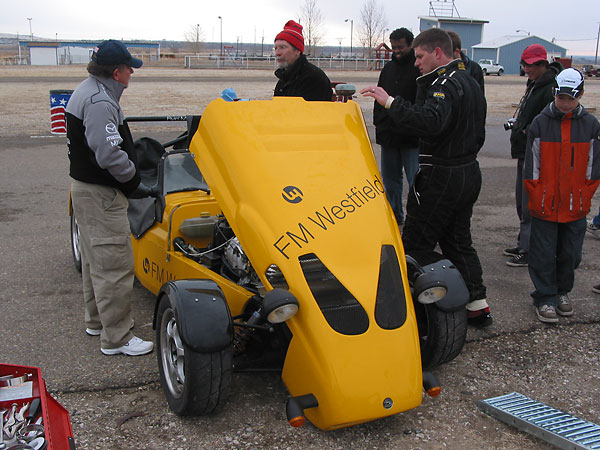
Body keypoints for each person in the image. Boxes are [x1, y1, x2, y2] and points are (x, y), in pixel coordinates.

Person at [360, 28, 491, 327]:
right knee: (458, 241)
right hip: (468, 171)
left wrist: (391, 102)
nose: (416, 63)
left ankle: (411, 313)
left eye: (420, 56)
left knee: (416, 243)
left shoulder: (444, 84)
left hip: (442, 174)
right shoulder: (470, 82)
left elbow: (430, 121)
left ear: (438, 53)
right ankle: (477, 304)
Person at [66, 39, 154, 356]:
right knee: (114, 265)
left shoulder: (87, 89)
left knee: (95, 261)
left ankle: (97, 321)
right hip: (101, 195)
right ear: (117, 72)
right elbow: (107, 153)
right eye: (129, 67)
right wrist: (133, 181)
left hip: (86, 191)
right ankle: (117, 338)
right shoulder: (100, 101)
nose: (132, 72)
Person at [523, 68, 600, 323]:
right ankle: (545, 297)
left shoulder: (590, 125)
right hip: (545, 204)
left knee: (571, 254)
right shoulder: (540, 123)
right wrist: (535, 195)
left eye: (571, 98)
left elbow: (593, 166)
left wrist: (585, 195)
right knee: (543, 253)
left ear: (580, 95)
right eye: (561, 98)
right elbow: (531, 165)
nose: (565, 104)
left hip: (575, 205)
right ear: (555, 93)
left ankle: (562, 291)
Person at [505, 44, 563, 268]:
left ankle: (528, 250)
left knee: (529, 204)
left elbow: (549, 122)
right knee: (522, 202)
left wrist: (527, 130)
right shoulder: (535, 84)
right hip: (525, 151)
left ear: (542, 64)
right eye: (524, 65)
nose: (526, 69)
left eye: (530, 66)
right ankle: (524, 243)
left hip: (536, 154)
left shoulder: (550, 89)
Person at [373, 28, 421, 226]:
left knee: (416, 181)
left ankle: (417, 219)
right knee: (390, 181)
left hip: (411, 137)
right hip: (390, 136)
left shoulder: (419, 68)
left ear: (410, 45)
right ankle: (394, 216)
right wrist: (380, 124)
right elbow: (379, 98)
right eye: (394, 48)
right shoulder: (388, 69)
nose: (397, 51)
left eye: (400, 47)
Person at [273, 20, 332, 101]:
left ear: (297, 51)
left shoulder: (313, 79)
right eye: (276, 48)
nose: (277, 53)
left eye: (282, 47)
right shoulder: (284, 80)